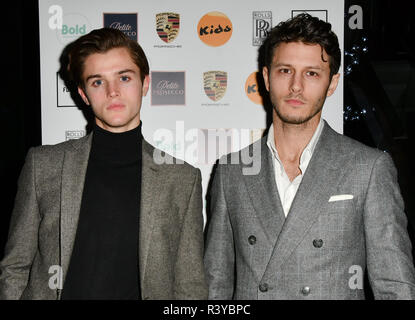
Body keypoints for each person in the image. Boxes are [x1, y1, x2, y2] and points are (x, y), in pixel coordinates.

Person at [204, 13, 415, 299]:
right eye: (285, 70)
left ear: (332, 83)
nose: (296, 87)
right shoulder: (232, 171)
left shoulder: (368, 168)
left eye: (312, 73)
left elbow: (395, 286)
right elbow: (214, 287)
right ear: (266, 78)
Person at [0, 28, 207, 300]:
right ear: (84, 94)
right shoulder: (44, 165)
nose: (113, 92)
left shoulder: (181, 178)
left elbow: (190, 286)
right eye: (97, 82)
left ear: (145, 83)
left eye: (124, 77)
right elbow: (16, 266)